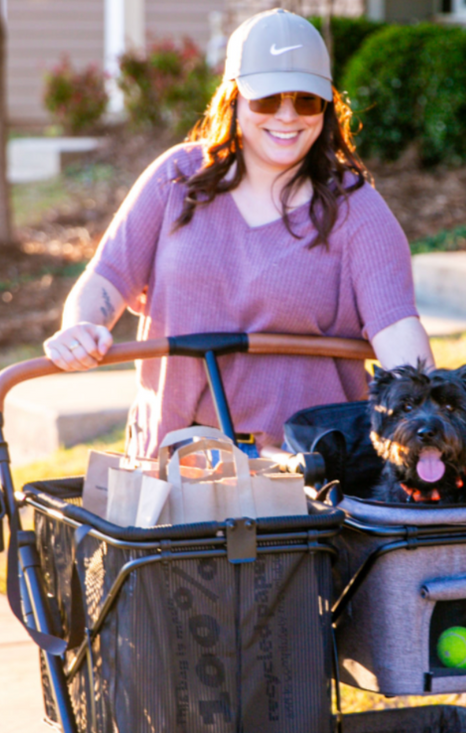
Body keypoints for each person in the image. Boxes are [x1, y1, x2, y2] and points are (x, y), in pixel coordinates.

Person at [43, 7, 434, 460]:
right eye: (267, 100)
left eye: (306, 101)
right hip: (171, 460)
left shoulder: (356, 208)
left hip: (304, 470)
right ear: (233, 99)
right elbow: (107, 278)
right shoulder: (177, 179)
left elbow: (397, 328)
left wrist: (429, 411)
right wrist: (81, 327)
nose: (287, 117)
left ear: (327, 108)